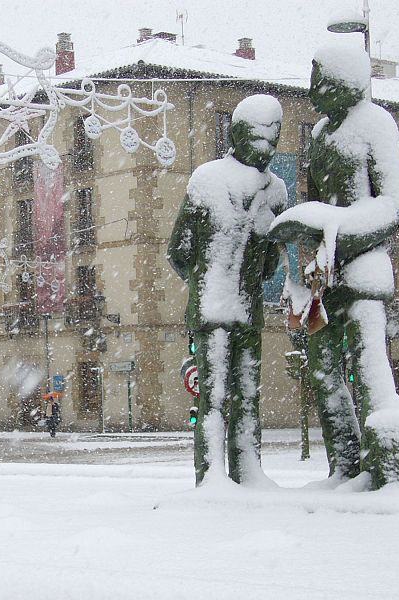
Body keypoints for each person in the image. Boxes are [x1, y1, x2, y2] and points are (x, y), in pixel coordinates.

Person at [268, 43, 399, 486]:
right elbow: (316, 200)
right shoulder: (320, 136)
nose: (315, 92)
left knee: (371, 369)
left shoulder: (376, 125)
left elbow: (392, 207)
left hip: (365, 271)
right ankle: (347, 467)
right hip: (324, 277)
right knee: (321, 369)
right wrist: (306, 228)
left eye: (322, 81)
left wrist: (334, 224)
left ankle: (384, 468)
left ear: (345, 78)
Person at [168, 94, 287, 486]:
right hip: (214, 307)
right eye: (261, 138)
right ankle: (212, 477)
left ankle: (248, 471)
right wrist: (207, 280)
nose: (268, 148)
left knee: (249, 397)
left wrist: (250, 276)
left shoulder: (276, 192)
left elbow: (272, 257)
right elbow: (178, 250)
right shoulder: (206, 179)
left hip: (248, 310)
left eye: (274, 139)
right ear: (238, 136)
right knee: (214, 397)